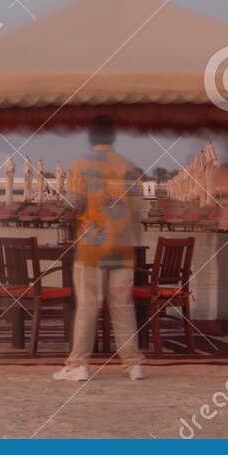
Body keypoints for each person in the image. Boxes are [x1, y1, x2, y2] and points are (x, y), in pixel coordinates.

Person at [55, 115, 147, 382]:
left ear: (90, 136)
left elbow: (74, 203)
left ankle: (78, 364)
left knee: (88, 305)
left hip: (93, 246)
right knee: (123, 306)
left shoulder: (81, 164)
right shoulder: (128, 167)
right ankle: (133, 364)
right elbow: (139, 211)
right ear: (113, 137)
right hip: (123, 246)